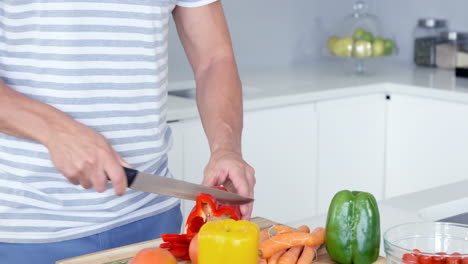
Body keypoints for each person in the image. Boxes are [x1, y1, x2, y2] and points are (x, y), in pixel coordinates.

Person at [0, 0, 255, 262]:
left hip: (153, 223)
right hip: (30, 231)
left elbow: (214, 59)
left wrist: (226, 148)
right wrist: (55, 131)